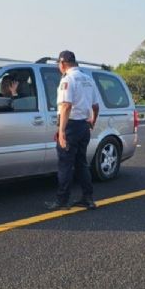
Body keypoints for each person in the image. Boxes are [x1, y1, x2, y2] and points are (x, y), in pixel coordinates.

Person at [44, 51, 100, 210]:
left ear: (62, 63)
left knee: (65, 164)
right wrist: (92, 121)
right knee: (81, 163)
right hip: (83, 125)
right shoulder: (88, 79)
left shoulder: (68, 79)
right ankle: (87, 198)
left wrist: (61, 131)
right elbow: (96, 106)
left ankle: (62, 200)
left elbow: (66, 106)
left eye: (58, 65)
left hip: (71, 126)